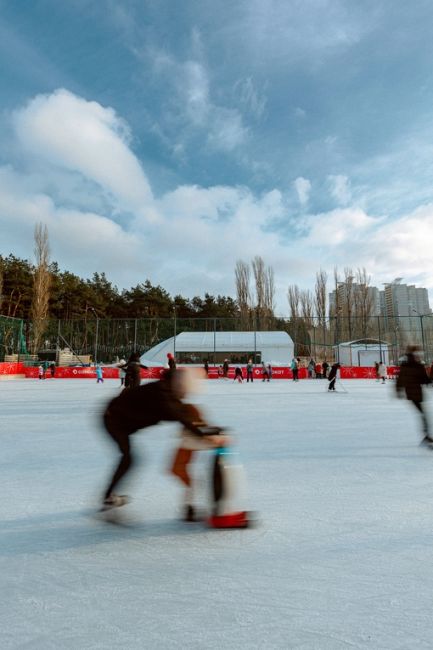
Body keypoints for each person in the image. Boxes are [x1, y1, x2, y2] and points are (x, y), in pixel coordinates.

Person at [101, 368, 224, 510]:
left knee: (129, 458)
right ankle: (108, 497)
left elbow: (188, 416)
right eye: (185, 391)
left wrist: (213, 430)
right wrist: (207, 435)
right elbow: (183, 419)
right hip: (113, 419)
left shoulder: (168, 393)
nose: (185, 395)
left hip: (123, 420)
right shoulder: (163, 396)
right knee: (128, 458)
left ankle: (108, 496)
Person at [170, 403, 227, 522]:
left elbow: (203, 430)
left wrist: (216, 433)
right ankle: (190, 510)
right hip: (179, 467)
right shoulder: (189, 433)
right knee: (195, 484)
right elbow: (200, 439)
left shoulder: (191, 428)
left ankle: (190, 509)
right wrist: (217, 439)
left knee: (194, 484)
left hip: (180, 466)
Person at [396, 346, 431, 442]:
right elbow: (424, 379)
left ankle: (426, 435)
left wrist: (398, 390)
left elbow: (400, 380)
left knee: (423, 414)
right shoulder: (418, 366)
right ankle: (426, 436)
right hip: (416, 394)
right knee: (423, 414)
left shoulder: (406, 365)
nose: (420, 356)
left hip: (412, 394)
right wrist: (429, 381)